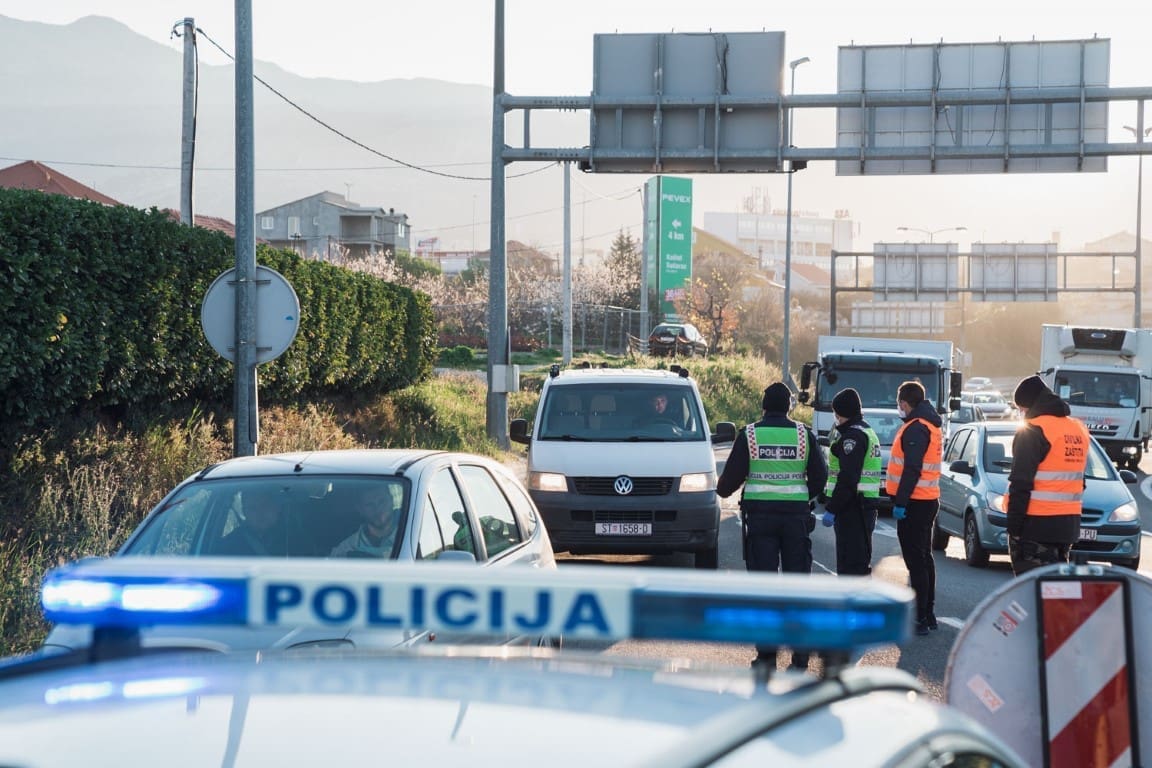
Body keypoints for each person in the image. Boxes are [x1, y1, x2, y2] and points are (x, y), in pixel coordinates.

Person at [718, 381, 828, 671]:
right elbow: (820, 474)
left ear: (764, 407)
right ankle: (800, 657)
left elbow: (730, 479)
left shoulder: (751, 434)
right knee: (797, 588)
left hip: (760, 519)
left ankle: (767, 657)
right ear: (790, 406)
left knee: (765, 589)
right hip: (795, 519)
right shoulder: (805, 435)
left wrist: (721, 491)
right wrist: (804, 496)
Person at [1006, 375, 1089, 576]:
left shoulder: (1033, 430)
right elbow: (1081, 481)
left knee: (1033, 592)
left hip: (1035, 525)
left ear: (1028, 405)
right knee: (1057, 593)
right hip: (1068, 525)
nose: (1021, 414)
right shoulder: (1077, 429)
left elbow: (1020, 483)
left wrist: (1014, 528)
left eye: (1021, 409)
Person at [886, 380, 943, 636]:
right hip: (927, 498)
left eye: (900, 404)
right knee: (924, 558)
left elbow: (912, 469)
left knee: (916, 561)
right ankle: (927, 614)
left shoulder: (916, 428)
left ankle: (920, 617)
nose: (900, 408)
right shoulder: (929, 424)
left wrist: (900, 503)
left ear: (905, 403)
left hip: (915, 502)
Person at [821, 387, 882, 576]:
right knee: (858, 562)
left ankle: (854, 605)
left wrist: (832, 508)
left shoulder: (853, 437)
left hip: (853, 507)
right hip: (862, 505)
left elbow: (848, 478)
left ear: (841, 413)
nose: (835, 417)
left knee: (851, 566)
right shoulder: (865, 431)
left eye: (836, 413)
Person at [331, 485, 402, 558]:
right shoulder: (346, 549)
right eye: (370, 505)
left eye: (382, 501)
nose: (377, 509)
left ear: (392, 500)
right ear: (360, 509)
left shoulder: (411, 536)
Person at [218, 492, 286, 556]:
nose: (259, 513)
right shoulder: (230, 545)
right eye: (252, 508)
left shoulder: (293, 536)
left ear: (277, 507)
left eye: (265, 505)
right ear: (244, 512)